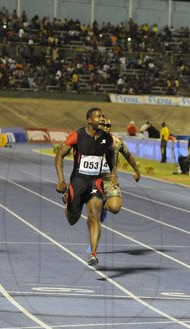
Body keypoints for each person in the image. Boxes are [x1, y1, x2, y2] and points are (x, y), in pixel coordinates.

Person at [55, 108, 117, 267]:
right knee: (73, 219)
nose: (102, 119)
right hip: (78, 182)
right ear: (90, 120)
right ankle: (68, 201)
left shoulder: (106, 139)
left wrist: (112, 174)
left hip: (95, 182)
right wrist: (61, 180)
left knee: (94, 214)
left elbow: (110, 156)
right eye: (99, 117)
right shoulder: (78, 135)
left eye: (103, 116)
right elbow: (59, 155)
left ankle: (93, 254)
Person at [99, 118, 141, 220]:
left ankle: (103, 206)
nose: (106, 127)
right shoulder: (90, 139)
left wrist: (136, 171)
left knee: (115, 208)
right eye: (103, 125)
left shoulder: (117, 141)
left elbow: (128, 155)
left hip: (110, 179)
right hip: (92, 178)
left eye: (108, 126)